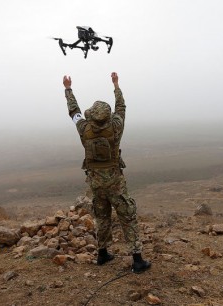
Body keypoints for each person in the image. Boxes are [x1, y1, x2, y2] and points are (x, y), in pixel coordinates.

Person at [63, 72, 151, 273]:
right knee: (127, 216)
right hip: (115, 182)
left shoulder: (84, 129)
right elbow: (121, 107)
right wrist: (116, 85)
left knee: (102, 217)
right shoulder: (116, 127)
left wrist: (68, 89)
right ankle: (137, 260)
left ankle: (102, 254)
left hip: (95, 183)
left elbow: (74, 112)